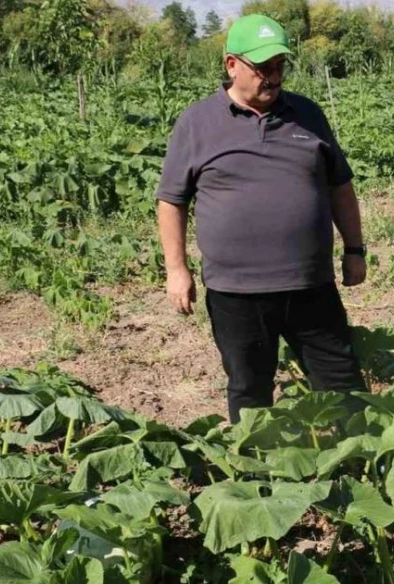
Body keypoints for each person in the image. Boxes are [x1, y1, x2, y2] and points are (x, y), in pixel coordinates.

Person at [155, 14, 368, 424]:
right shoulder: (197, 123)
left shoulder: (307, 114)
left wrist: (355, 249)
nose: (273, 77)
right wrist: (176, 269)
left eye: (279, 66)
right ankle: (256, 481)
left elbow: (340, 186)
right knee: (250, 389)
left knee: (342, 384)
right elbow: (171, 201)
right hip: (237, 292)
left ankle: (359, 467)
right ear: (231, 64)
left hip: (310, 284)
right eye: (262, 68)